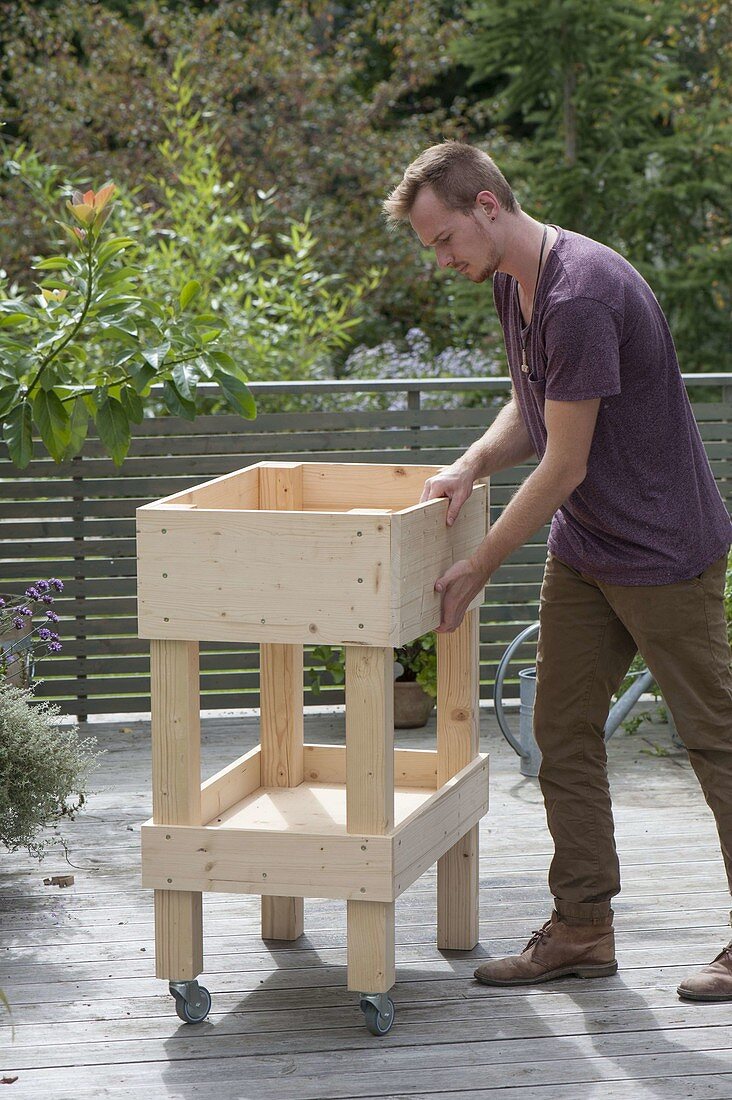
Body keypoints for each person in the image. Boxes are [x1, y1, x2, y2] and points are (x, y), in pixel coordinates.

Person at [383, 140, 732, 1001]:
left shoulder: (579, 294)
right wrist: (471, 465)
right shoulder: (517, 282)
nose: (443, 260)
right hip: (588, 551)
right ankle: (582, 928)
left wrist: (478, 562)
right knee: (563, 736)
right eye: (432, 247)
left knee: (717, 742)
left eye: (444, 239)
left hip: (663, 553)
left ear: (488, 207)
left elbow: (564, 462)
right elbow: (534, 410)